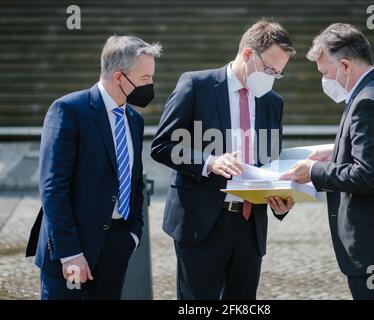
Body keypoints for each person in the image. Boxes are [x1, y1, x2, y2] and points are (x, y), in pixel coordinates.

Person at [281, 23, 374, 300]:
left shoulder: (368, 103)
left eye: (325, 72)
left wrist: (314, 171)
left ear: (344, 65)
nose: (324, 80)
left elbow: (368, 176)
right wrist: (338, 153)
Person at [151, 19, 296, 299]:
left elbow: (270, 162)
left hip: (249, 225)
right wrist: (209, 162)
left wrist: (282, 198)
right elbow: (162, 145)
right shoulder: (196, 84)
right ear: (247, 55)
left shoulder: (272, 101)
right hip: (201, 223)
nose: (271, 77)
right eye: (268, 69)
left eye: (278, 73)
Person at [26, 35, 161, 299]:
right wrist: (70, 253)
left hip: (116, 249)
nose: (151, 85)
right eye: (146, 78)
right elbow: (53, 188)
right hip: (72, 252)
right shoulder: (68, 110)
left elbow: (132, 180)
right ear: (120, 77)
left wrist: (132, 234)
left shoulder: (134, 119)